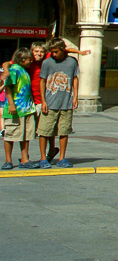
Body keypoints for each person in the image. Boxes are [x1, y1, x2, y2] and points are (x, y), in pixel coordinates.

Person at [37, 39, 79, 168]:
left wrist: (75, 96)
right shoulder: (47, 62)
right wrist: (43, 100)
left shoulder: (72, 62)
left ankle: (62, 157)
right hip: (50, 102)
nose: (53, 54)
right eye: (52, 52)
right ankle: (43, 157)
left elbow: (75, 78)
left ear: (62, 49)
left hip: (65, 102)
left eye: (55, 52)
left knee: (64, 131)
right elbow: (42, 81)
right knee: (44, 131)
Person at [2, 49, 39, 170]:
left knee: (25, 135)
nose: (31, 61)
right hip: (15, 109)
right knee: (11, 135)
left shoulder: (24, 70)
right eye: (29, 59)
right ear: (22, 59)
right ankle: (8, 160)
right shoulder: (14, 70)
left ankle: (24, 158)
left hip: (27, 109)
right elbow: (8, 88)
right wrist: (11, 104)